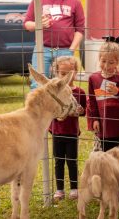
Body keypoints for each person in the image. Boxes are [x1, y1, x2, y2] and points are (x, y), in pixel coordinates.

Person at [24, 0, 85, 88]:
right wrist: (39, 25)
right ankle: (38, 107)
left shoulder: (75, 2)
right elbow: (27, 24)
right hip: (43, 49)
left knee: (64, 85)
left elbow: (80, 29)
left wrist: (71, 50)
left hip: (65, 50)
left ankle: (61, 107)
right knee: (38, 84)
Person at [49, 56, 86, 201]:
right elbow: (49, 110)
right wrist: (56, 115)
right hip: (57, 132)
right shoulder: (53, 91)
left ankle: (74, 188)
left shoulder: (80, 92)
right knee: (58, 161)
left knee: (72, 160)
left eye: (70, 73)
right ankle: (59, 190)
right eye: (63, 74)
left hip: (72, 132)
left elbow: (84, 111)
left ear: (76, 72)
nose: (66, 77)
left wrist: (81, 111)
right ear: (57, 73)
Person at [87, 36, 119, 152]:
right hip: (103, 128)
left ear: (118, 61)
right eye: (103, 61)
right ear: (99, 59)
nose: (106, 65)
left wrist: (118, 93)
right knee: (106, 158)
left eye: (111, 62)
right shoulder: (93, 78)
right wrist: (95, 119)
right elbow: (92, 102)